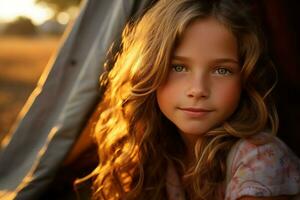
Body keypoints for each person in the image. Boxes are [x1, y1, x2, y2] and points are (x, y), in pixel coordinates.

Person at [78, 0, 300, 199]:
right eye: (178, 67)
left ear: (245, 78)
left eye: (221, 70)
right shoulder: (157, 151)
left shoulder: (260, 159)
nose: (198, 90)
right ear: (147, 71)